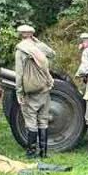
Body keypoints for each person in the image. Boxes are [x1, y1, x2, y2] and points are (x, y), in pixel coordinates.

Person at [12, 23, 56, 158]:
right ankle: (43, 152)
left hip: (30, 92)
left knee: (31, 121)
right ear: (32, 34)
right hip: (44, 89)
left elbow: (19, 74)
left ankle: (31, 152)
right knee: (43, 120)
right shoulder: (39, 46)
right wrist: (38, 42)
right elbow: (52, 54)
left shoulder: (20, 50)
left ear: (20, 35)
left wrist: (19, 92)